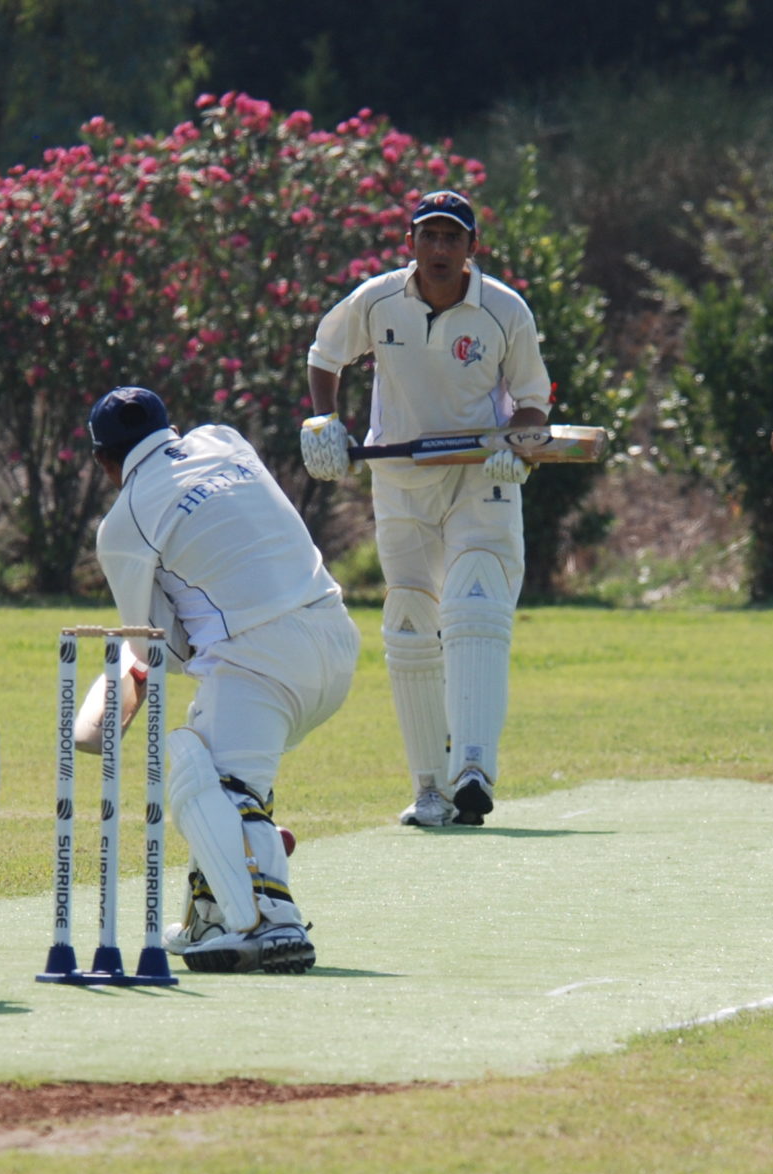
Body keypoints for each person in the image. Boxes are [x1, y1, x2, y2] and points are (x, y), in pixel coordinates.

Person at [299, 188, 553, 828]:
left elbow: (531, 401)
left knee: (473, 600)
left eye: (452, 237)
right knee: (410, 618)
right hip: (399, 476)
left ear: (472, 248)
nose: (439, 248)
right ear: (410, 242)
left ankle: (473, 767)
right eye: (428, 235)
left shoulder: (503, 310)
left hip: (478, 474)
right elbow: (325, 355)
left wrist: (514, 446)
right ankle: (430, 789)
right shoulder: (378, 299)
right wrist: (325, 418)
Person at [86, 386, 358, 974]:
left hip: (258, 660)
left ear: (105, 462)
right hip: (335, 637)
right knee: (224, 767)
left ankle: (270, 920)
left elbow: (153, 645)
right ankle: (209, 913)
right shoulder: (223, 440)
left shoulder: (122, 523)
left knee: (196, 769)